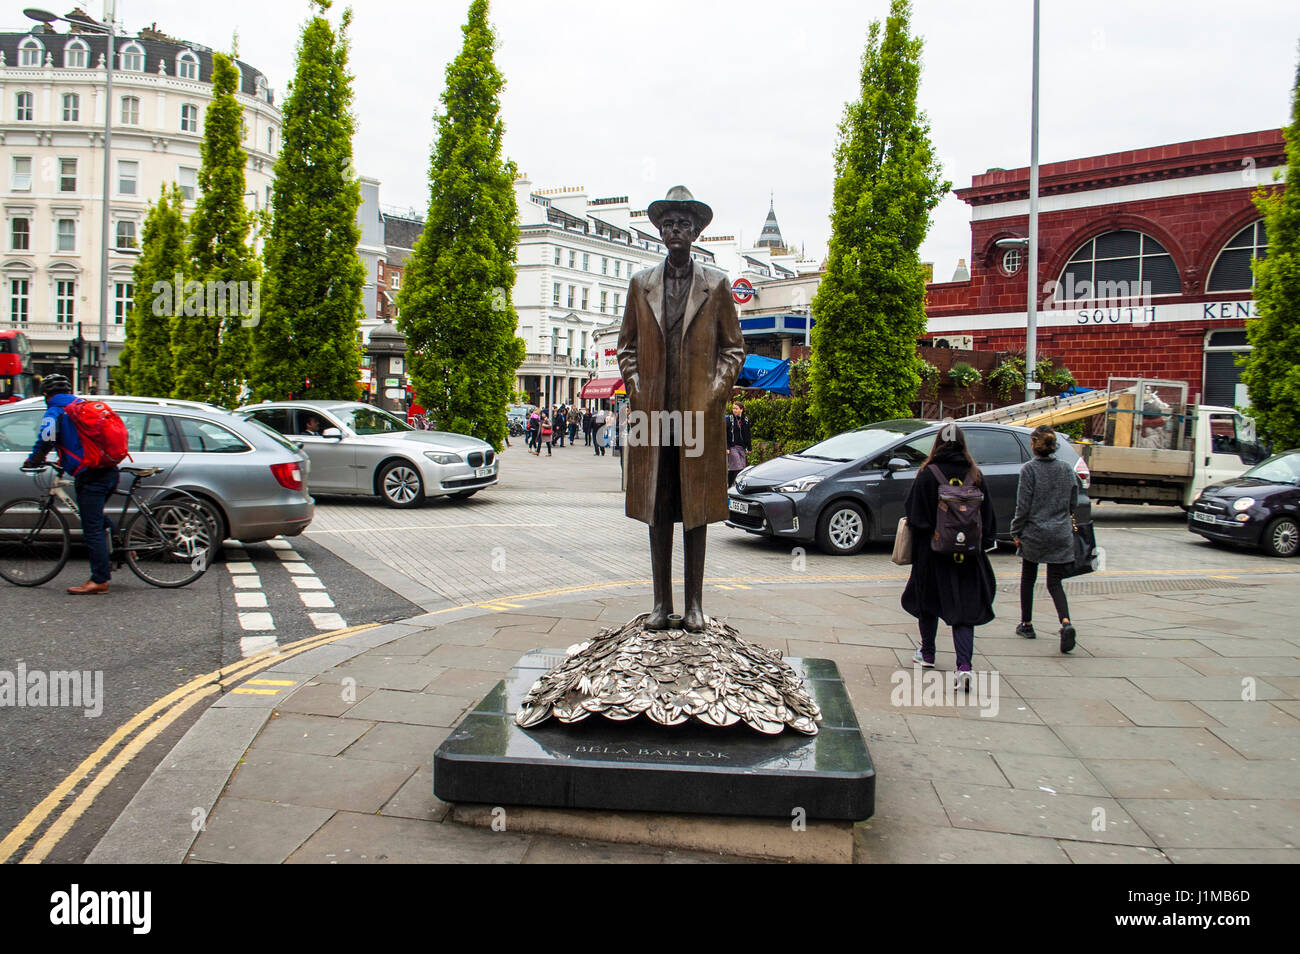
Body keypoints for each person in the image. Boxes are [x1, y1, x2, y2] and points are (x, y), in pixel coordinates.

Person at [617, 185, 746, 632]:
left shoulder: (717, 285)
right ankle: (659, 604)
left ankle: (694, 605)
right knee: (658, 507)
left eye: (684, 224)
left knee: (695, 508)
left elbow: (733, 349)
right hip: (652, 416)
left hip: (697, 414)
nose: (676, 230)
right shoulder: (641, 284)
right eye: (668, 223)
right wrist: (636, 388)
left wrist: (713, 393)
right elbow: (627, 347)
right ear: (659, 230)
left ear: (696, 232)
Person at [901, 424, 997, 690]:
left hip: (932, 555)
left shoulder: (927, 474)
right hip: (967, 558)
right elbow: (988, 519)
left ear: (937, 443)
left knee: (927, 603)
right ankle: (964, 666)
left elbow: (915, 516)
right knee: (964, 612)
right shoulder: (974, 475)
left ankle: (928, 653)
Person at [21, 374, 121, 595]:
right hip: (109, 469)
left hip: (91, 473)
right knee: (93, 515)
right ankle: (122, 547)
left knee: (91, 528)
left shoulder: (55, 411)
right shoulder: (81, 405)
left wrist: (34, 460)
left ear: (47, 395)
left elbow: (46, 439)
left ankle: (99, 580)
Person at [1010, 425, 1080, 653]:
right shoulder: (1066, 469)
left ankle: (1027, 624)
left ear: (1034, 445)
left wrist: (1016, 531)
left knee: (1028, 578)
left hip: (1035, 533)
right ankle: (1065, 622)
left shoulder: (1029, 470)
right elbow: (1073, 502)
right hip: (1060, 532)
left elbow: (1023, 507)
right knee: (1054, 583)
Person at [725, 401, 751, 487]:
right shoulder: (730, 419)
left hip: (742, 447)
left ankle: (729, 484)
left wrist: (749, 447)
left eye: (736, 408)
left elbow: (747, 434)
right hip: (732, 447)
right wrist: (727, 447)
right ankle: (734, 485)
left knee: (739, 467)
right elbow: (726, 434)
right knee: (737, 466)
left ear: (741, 409)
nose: (734, 410)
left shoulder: (746, 420)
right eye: (733, 408)